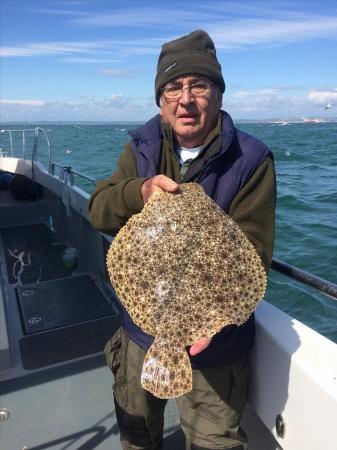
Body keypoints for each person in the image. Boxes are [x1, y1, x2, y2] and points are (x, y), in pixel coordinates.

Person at [89, 30, 276, 450]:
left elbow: (253, 255)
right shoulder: (141, 147)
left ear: (219, 94)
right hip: (139, 334)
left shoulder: (251, 160)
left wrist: (214, 321)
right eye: (173, 87)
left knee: (215, 442)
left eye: (199, 85)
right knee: (136, 435)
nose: (185, 99)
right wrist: (138, 192)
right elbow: (99, 209)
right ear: (160, 99)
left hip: (216, 345)